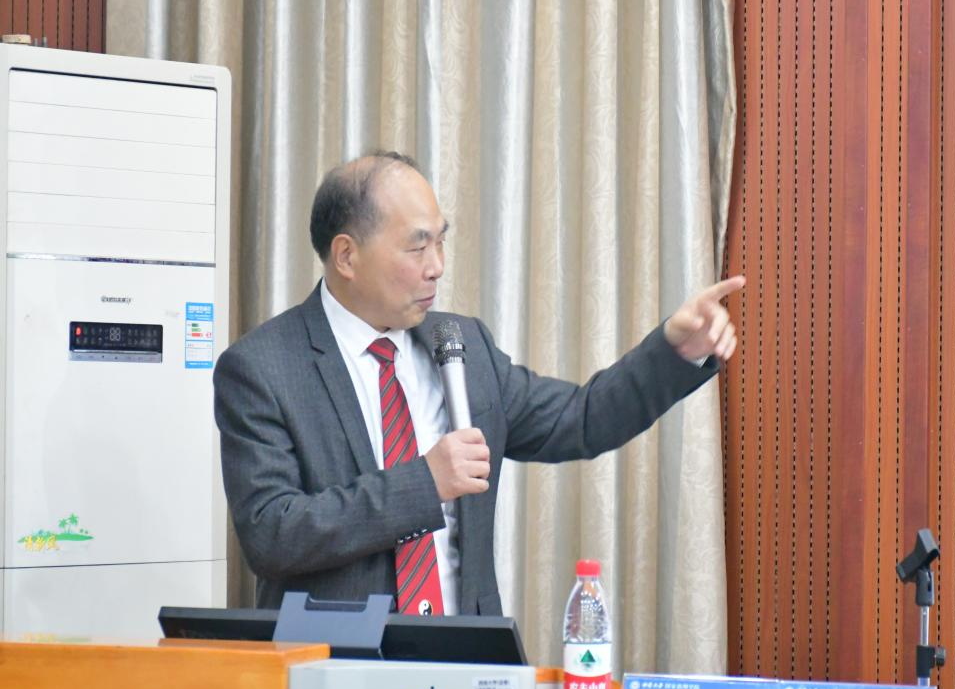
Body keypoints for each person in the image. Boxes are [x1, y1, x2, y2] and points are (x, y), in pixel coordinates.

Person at [213, 150, 744, 615]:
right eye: (417, 247)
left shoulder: (461, 346)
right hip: (334, 667)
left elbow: (583, 419)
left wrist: (674, 351)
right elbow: (272, 532)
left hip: (463, 659)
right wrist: (425, 483)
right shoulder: (263, 368)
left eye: (441, 242)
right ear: (347, 255)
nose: (437, 267)